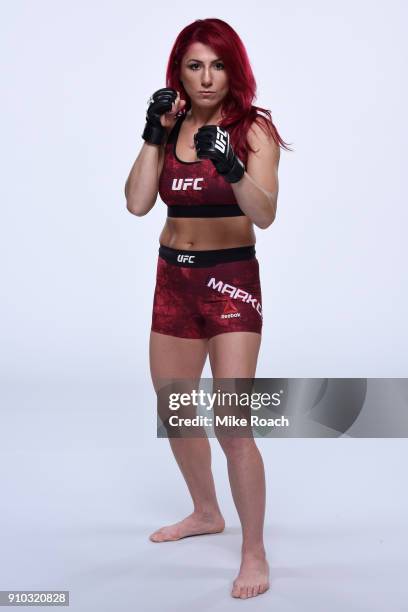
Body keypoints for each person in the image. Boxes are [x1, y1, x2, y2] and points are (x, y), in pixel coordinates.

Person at [125, 17, 290, 600]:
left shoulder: (254, 129)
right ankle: (204, 512)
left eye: (218, 65)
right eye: (195, 65)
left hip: (231, 283)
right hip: (174, 279)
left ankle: (254, 550)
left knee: (233, 423)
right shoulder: (169, 128)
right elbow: (138, 203)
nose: (207, 77)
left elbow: (264, 213)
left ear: (233, 69)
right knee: (174, 407)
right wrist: (152, 133)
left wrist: (231, 166)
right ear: (179, 71)